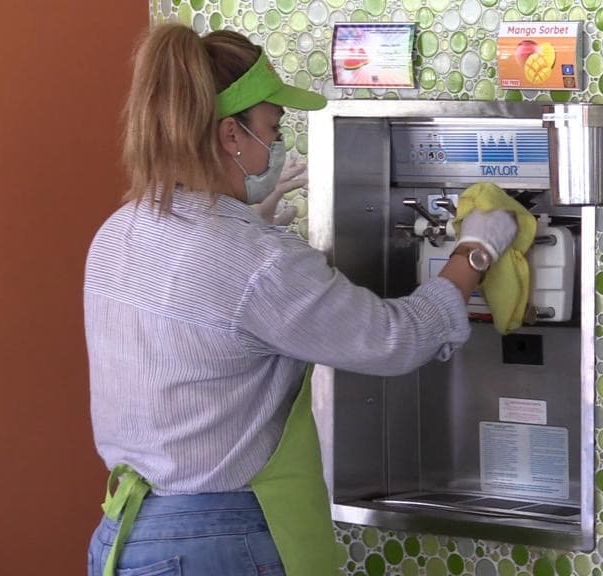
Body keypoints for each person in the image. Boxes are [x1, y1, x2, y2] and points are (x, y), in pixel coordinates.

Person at [84, 23, 517, 576]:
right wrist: (474, 254)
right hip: (216, 542)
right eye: (274, 125)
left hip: (126, 536)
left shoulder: (120, 231)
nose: (280, 140)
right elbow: (394, 339)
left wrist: (249, 223)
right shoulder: (255, 261)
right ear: (230, 137)